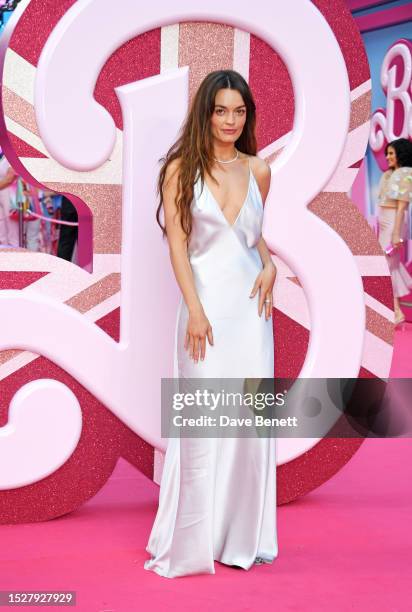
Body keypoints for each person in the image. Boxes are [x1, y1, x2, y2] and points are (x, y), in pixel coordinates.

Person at [144, 70, 278, 578]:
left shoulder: (259, 169)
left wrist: (269, 264)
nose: (230, 120)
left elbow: (252, 234)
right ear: (206, 112)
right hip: (204, 309)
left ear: (248, 115)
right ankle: (192, 539)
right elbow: (178, 244)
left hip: (250, 312)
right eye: (221, 110)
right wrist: (194, 309)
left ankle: (240, 538)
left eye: (238, 111)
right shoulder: (181, 168)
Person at [377, 138, 412, 327]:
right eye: (387, 153)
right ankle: (396, 311)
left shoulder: (405, 174)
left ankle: (396, 311)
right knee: (390, 268)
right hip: (386, 224)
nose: (388, 157)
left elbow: (402, 206)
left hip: (393, 224)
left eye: (392, 153)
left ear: (401, 154)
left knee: (387, 267)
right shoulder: (390, 174)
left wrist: (396, 233)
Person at [0, 151, 19, 248]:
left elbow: (10, 178)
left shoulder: (10, 153)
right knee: (1, 231)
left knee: (12, 231)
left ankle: (16, 259)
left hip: (10, 193)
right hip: (1, 192)